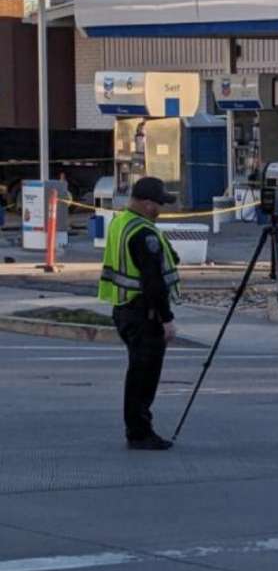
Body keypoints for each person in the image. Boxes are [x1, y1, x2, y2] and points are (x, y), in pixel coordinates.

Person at [98, 177, 181, 451]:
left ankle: (138, 428)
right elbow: (153, 281)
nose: (161, 209)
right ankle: (140, 432)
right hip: (144, 312)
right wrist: (166, 318)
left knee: (138, 372)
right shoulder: (143, 233)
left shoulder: (122, 222)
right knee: (144, 376)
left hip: (124, 309)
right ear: (147, 204)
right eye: (159, 204)